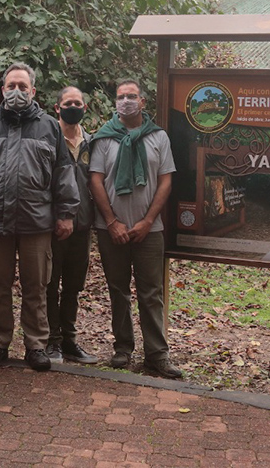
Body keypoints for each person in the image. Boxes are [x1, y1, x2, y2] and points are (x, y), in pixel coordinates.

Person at [0, 62, 79, 372]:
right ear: (2, 90)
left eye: (23, 87)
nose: (16, 92)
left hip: (36, 222)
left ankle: (36, 345)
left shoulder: (49, 126)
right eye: (11, 86)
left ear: (33, 91)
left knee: (36, 286)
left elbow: (64, 173)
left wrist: (66, 213)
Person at [89, 79, 180, 379]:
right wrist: (112, 222)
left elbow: (166, 180)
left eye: (131, 96)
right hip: (110, 229)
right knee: (118, 290)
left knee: (151, 292)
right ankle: (122, 348)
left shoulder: (158, 137)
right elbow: (96, 180)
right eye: (120, 97)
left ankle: (157, 354)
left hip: (149, 230)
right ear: (114, 102)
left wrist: (147, 221)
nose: (125, 101)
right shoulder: (104, 138)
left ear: (142, 102)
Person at [45, 86, 98, 365]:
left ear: (84, 108)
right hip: (52, 225)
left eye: (78, 103)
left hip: (82, 225)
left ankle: (69, 340)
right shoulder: (47, 138)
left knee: (73, 285)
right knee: (49, 284)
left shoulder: (91, 142)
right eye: (68, 103)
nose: (73, 107)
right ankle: (51, 341)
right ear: (57, 107)